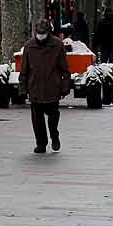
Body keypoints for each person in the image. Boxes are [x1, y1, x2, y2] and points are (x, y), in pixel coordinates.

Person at [20, 18, 71, 154]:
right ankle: (41, 143)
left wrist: (65, 86)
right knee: (37, 120)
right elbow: (24, 70)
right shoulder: (29, 46)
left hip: (52, 88)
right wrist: (23, 89)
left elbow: (64, 69)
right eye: (39, 33)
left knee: (53, 117)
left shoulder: (57, 45)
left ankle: (54, 135)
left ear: (48, 32)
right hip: (35, 87)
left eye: (43, 33)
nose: (40, 36)